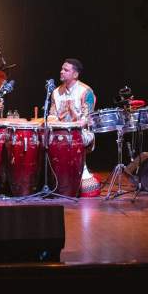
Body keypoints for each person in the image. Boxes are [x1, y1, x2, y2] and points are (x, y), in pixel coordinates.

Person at [48, 57, 101, 196]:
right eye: (61, 69)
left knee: (70, 140)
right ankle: (54, 178)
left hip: (80, 133)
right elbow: (52, 114)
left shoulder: (85, 91)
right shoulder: (55, 92)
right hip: (59, 133)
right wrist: (54, 122)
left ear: (75, 74)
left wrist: (69, 127)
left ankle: (79, 173)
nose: (61, 71)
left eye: (66, 70)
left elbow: (86, 118)